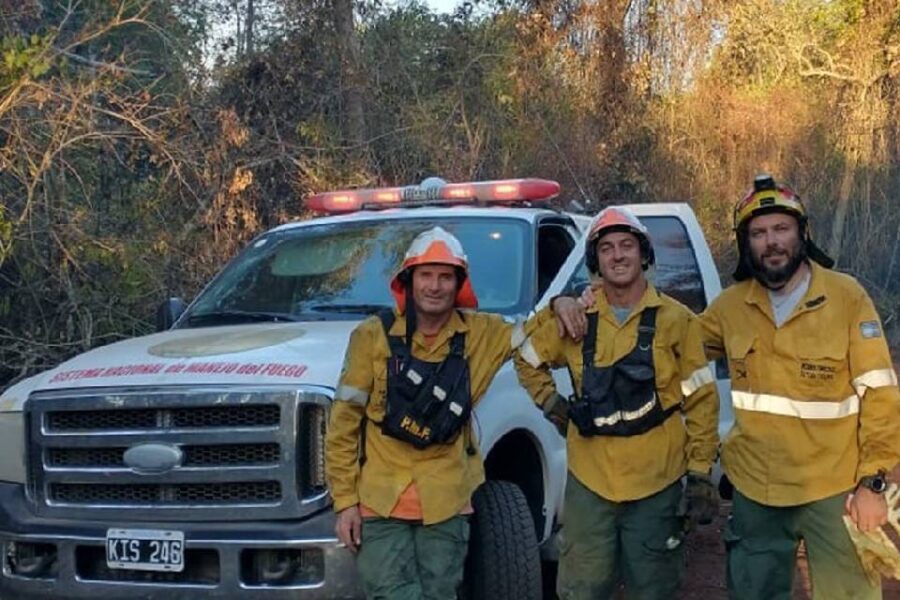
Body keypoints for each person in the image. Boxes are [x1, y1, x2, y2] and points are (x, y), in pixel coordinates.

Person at [700, 174, 900, 599]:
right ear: (745, 243)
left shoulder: (846, 298)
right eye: (758, 233)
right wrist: (582, 300)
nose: (771, 242)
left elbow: (881, 395)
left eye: (781, 229)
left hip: (834, 489)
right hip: (756, 492)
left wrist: (873, 484)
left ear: (801, 233)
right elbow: (669, 345)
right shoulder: (730, 308)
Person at [325, 226, 552, 599]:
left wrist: (563, 304)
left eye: (445, 276)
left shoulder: (483, 334)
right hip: (381, 503)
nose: (434, 286)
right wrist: (346, 502)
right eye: (426, 275)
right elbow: (343, 425)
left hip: (447, 503)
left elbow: (535, 333)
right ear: (408, 281)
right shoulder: (372, 337)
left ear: (458, 283)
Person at [515, 206, 721, 599]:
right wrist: (550, 402)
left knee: (654, 588)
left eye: (627, 245)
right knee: (582, 589)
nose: (618, 255)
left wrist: (698, 473)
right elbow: (524, 356)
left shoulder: (676, 321)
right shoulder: (578, 316)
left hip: (656, 483)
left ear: (643, 254)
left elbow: (702, 401)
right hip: (591, 485)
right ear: (596, 261)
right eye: (606, 248)